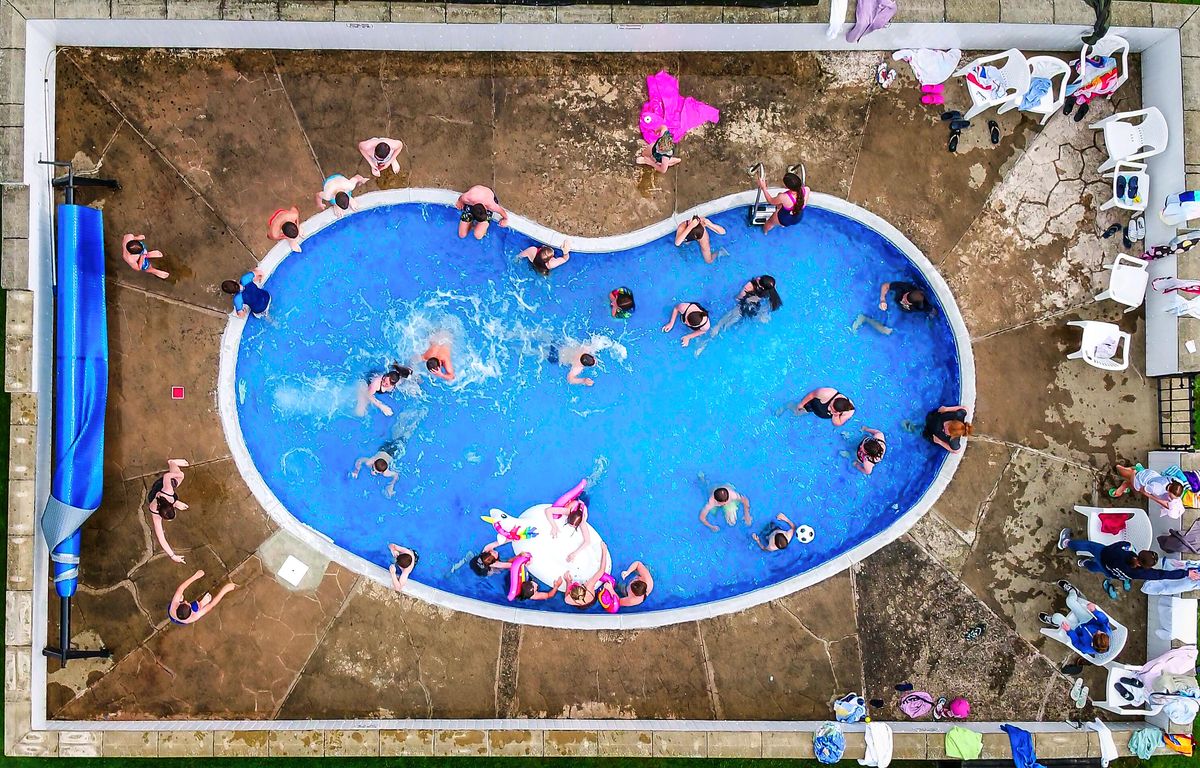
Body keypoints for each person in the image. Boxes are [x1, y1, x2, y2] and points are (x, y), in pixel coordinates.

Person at [1057, 529, 1200, 597]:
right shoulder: (1143, 573)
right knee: (1099, 568)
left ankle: (1066, 543)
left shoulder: (1125, 550)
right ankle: (1084, 564)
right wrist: (1186, 573)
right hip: (1112, 572)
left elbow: (1114, 546)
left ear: (1141, 553)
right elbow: (1163, 574)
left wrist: (1128, 546)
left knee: (1088, 546)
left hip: (1104, 554)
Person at [1038, 582, 1112, 658]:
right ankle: (1072, 591)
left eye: (1096, 633)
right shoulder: (1107, 632)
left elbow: (1076, 642)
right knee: (1070, 601)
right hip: (1088, 620)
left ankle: (1054, 621)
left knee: (1056, 617)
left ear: (1093, 641)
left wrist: (1069, 631)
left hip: (1076, 630)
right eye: (1101, 632)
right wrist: (1094, 611)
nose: (1099, 630)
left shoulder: (1086, 648)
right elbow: (1104, 620)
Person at [710, 275, 783, 337]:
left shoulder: (749, 286)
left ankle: (718, 327)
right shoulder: (770, 289)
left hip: (746, 304)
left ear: (761, 286)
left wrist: (736, 299)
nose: (758, 278)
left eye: (760, 280)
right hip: (755, 306)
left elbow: (738, 298)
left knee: (732, 316)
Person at [147, 458, 189, 564]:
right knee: (180, 476)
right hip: (156, 492)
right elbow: (161, 536)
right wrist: (172, 555)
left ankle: (172, 463)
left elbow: (167, 476)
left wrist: (179, 475)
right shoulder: (154, 512)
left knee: (180, 476)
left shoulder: (168, 491)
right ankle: (172, 462)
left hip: (161, 488)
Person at [1109, 463, 1186, 518]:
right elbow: (1143, 489)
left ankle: (1138, 470)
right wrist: (1149, 496)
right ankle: (1129, 474)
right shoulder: (1157, 489)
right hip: (1141, 478)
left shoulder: (1177, 481)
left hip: (1152, 474)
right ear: (1170, 492)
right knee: (1134, 484)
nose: (1173, 499)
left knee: (1137, 483)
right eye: (1172, 497)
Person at [168, 570, 237, 626]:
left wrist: (195, 576)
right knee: (196, 606)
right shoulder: (193, 617)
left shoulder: (174, 605)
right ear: (191, 613)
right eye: (187, 604)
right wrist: (224, 590)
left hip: (172, 614)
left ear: (177, 607)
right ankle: (201, 604)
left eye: (184, 602)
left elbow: (181, 588)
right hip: (179, 619)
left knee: (179, 595)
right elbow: (211, 605)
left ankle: (181, 600)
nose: (186, 601)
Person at [757, 168, 808, 234]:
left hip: (784, 218)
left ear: (787, 187)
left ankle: (765, 232)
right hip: (798, 218)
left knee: (770, 222)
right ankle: (783, 224)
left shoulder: (783, 197)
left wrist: (763, 188)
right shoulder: (806, 190)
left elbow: (770, 201)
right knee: (782, 202)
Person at [791, 388, 855, 426]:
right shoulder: (827, 393)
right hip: (814, 405)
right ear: (833, 400)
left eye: (833, 411)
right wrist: (802, 404)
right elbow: (812, 395)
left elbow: (838, 423)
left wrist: (835, 415)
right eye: (830, 406)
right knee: (795, 412)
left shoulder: (849, 411)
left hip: (822, 412)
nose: (829, 409)